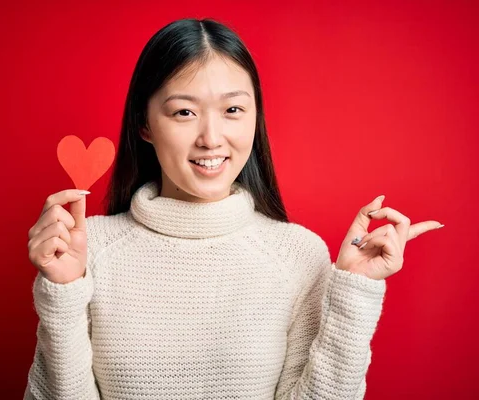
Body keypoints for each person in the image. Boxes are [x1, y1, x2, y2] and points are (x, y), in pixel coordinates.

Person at [23, 18, 443, 400]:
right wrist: (62, 293)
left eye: (233, 110)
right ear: (144, 124)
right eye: (184, 112)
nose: (211, 137)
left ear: (255, 119)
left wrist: (354, 292)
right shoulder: (88, 251)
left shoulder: (298, 255)